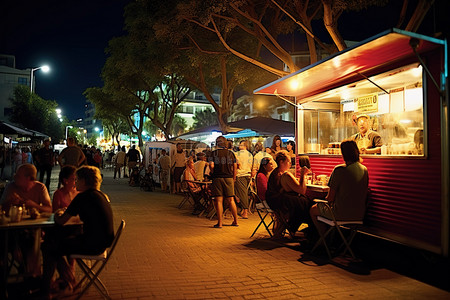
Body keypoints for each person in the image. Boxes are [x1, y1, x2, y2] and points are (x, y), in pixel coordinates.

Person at [42, 166, 114, 297]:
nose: (75, 183)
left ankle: (51, 288)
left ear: (84, 181)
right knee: (56, 243)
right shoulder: (100, 195)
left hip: (92, 245)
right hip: (103, 243)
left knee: (49, 246)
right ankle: (68, 281)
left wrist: (58, 212)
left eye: (77, 179)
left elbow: (61, 221)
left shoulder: (83, 197)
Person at [0, 164, 52, 277]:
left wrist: (34, 205)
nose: (15, 177)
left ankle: (32, 274)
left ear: (29, 178)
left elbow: (49, 209)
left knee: (34, 239)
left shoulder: (40, 188)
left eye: (18, 176)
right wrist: (9, 203)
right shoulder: (11, 187)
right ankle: (28, 272)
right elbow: (1, 209)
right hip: (12, 229)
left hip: (32, 228)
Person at [310, 140, 369, 235]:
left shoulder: (339, 170)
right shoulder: (364, 170)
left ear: (343, 154)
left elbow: (330, 198)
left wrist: (320, 201)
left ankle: (323, 239)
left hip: (341, 214)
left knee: (313, 209)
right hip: (359, 215)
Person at [266, 150, 312, 238]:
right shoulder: (283, 175)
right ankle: (294, 229)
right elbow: (301, 190)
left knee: (301, 201)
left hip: (274, 200)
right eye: (289, 162)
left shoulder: (277, 172)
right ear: (281, 162)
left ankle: (290, 229)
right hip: (279, 202)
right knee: (303, 203)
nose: (290, 164)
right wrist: (303, 175)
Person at [209, 136, 239, 228]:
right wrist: (233, 177)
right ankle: (236, 221)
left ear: (217, 143)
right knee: (231, 200)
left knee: (218, 200)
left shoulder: (213, 153)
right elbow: (235, 166)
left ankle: (220, 223)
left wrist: (213, 171)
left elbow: (211, 165)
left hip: (217, 178)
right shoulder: (231, 153)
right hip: (229, 177)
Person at [234, 140, 254, 219]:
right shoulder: (250, 155)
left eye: (241, 144)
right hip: (248, 175)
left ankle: (245, 211)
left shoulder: (237, 154)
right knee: (243, 192)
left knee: (242, 193)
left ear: (245, 145)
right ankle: (243, 208)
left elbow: (236, 165)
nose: (239, 146)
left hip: (240, 174)